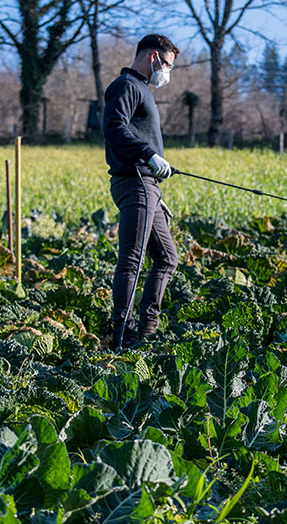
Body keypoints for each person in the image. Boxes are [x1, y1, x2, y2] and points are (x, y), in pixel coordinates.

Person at [102, 34, 180, 349]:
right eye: (167, 64)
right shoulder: (126, 87)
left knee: (166, 258)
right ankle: (123, 333)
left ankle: (148, 327)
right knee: (131, 259)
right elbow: (114, 127)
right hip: (135, 181)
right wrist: (148, 154)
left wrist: (156, 162)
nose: (167, 72)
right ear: (152, 58)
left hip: (148, 185)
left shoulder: (141, 90)